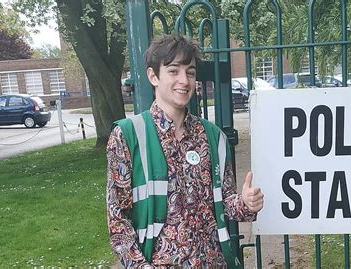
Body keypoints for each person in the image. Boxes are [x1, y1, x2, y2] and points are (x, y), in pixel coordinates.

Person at [106, 34, 264, 268]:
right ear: (153, 76)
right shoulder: (128, 137)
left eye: (190, 72)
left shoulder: (212, 136)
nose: (184, 80)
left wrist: (245, 203)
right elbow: (118, 220)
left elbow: (225, 204)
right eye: (173, 71)